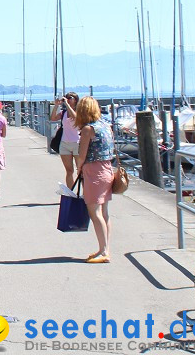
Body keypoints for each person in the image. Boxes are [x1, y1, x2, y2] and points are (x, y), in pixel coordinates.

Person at [74, 96, 114, 264]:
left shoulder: (88, 130)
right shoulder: (105, 125)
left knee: (94, 212)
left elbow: (82, 155)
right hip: (107, 169)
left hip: (94, 171)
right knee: (104, 212)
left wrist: (79, 169)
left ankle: (104, 251)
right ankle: (104, 248)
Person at [51, 92, 81, 189]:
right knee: (69, 171)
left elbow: (75, 118)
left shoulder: (79, 111)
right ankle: (71, 193)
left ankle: (85, 194)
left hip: (77, 143)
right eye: (66, 98)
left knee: (80, 171)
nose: (67, 99)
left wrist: (67, 104)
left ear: (75, 100)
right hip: (65, 143)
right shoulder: (63, 113)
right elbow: (53, 118)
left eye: (70, 98)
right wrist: (56, 105)